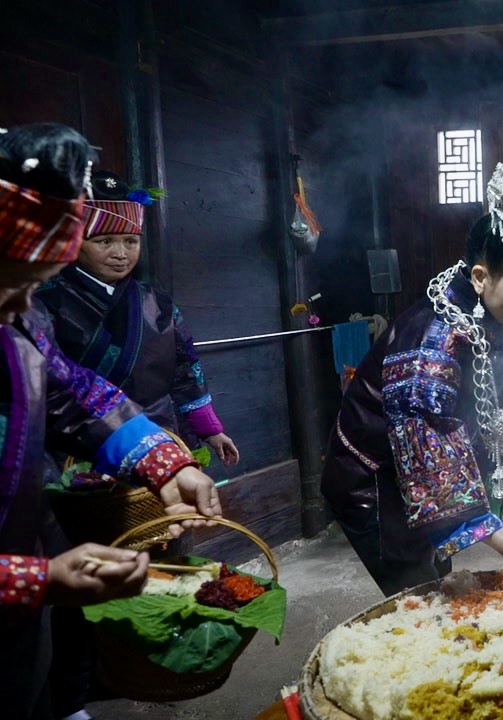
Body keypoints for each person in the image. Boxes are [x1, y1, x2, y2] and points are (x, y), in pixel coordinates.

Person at [0, 122, 222, 720]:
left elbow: (70, 393)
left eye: (37, 286)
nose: (25, 309)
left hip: (26, 529)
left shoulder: (20, 322)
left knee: (42, 663)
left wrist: (164, 461)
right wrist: (31, 579)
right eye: (14, 286)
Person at [322, 164, 503, 597]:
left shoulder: (486, 313)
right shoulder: (429, 348)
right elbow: (433, 473)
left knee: (438, 572)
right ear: (480, 276)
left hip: (421, 471)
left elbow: (502, 400)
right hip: (376, 481)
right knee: (418, 596)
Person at [35, 170, 239, 465]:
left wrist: (210, 429)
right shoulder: (46, 301)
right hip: (80, 448)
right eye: (105, 241)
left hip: (159, 436)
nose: (121, 253)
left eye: (131, 241)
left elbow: (185, 367)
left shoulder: (157, 302)